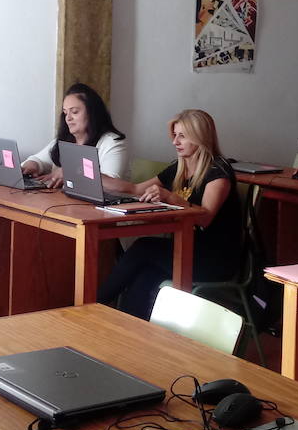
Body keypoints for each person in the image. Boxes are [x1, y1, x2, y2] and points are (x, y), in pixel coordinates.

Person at [98, 109, 240, 319]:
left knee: (143, 248)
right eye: (174, 135)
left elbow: (204, 218)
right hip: (185, 249)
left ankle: (92, 306)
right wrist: (93, 176)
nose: (175, 141)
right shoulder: (179, 167)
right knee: (145, 275)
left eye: (182, 135)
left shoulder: (218, 172)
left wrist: (170, 197)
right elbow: (137, 189)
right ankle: (123, 331)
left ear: (200, 136)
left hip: (214, 260)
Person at [21, 83, 129, 190]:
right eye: (65, 113)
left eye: (74, 112)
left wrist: (71, 172)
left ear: (92, 112)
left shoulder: (113, 142)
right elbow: (38, 159)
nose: (68, 118)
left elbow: (112, 185)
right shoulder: (64, 140)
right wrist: (33, 165)